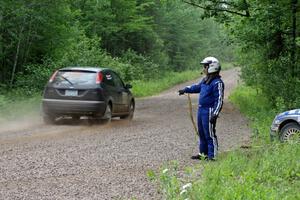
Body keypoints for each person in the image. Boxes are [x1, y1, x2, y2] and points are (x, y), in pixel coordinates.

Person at [178, 57, 224, 161]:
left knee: (209, 134)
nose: (203, 69)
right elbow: (197, 87)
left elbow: (219, 100)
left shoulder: (217, 83)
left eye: (205, 66)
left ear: (212, 67)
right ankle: (203, 154)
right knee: (202, 133)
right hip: (201, 110)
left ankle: (213, 156)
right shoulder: (205, 80)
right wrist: (185, 90)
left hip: (209, 111)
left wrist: (215, 113)